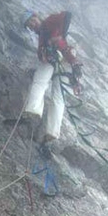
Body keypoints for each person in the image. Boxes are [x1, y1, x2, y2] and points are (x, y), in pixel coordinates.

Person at [21, 10, 83, 143]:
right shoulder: (42, 37)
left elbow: (67, 15)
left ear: (36, 16)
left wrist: (58, 38)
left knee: (40, 82)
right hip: (65, 56)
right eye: (29, 26)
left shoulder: (48, 22)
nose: (32, 25)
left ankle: (33, 110)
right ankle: (53, 132)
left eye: (32, 21)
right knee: (58, 96)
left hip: (58, 55)